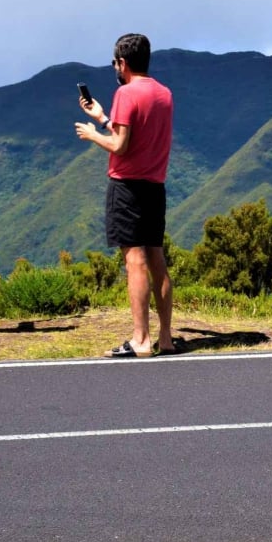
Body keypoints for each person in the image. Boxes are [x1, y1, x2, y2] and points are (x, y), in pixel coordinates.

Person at [76, 33, 176, 356]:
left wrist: (92, 134)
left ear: (123, 62)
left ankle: (140, 340)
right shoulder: (164, 94)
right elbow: (136, 134)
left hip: (127, 187)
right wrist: (103, 118)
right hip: (155, 186)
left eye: (115, 63)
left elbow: (120, 146)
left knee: (134, 261)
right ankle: (165, 338)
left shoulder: (125, 92)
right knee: (157, 259)